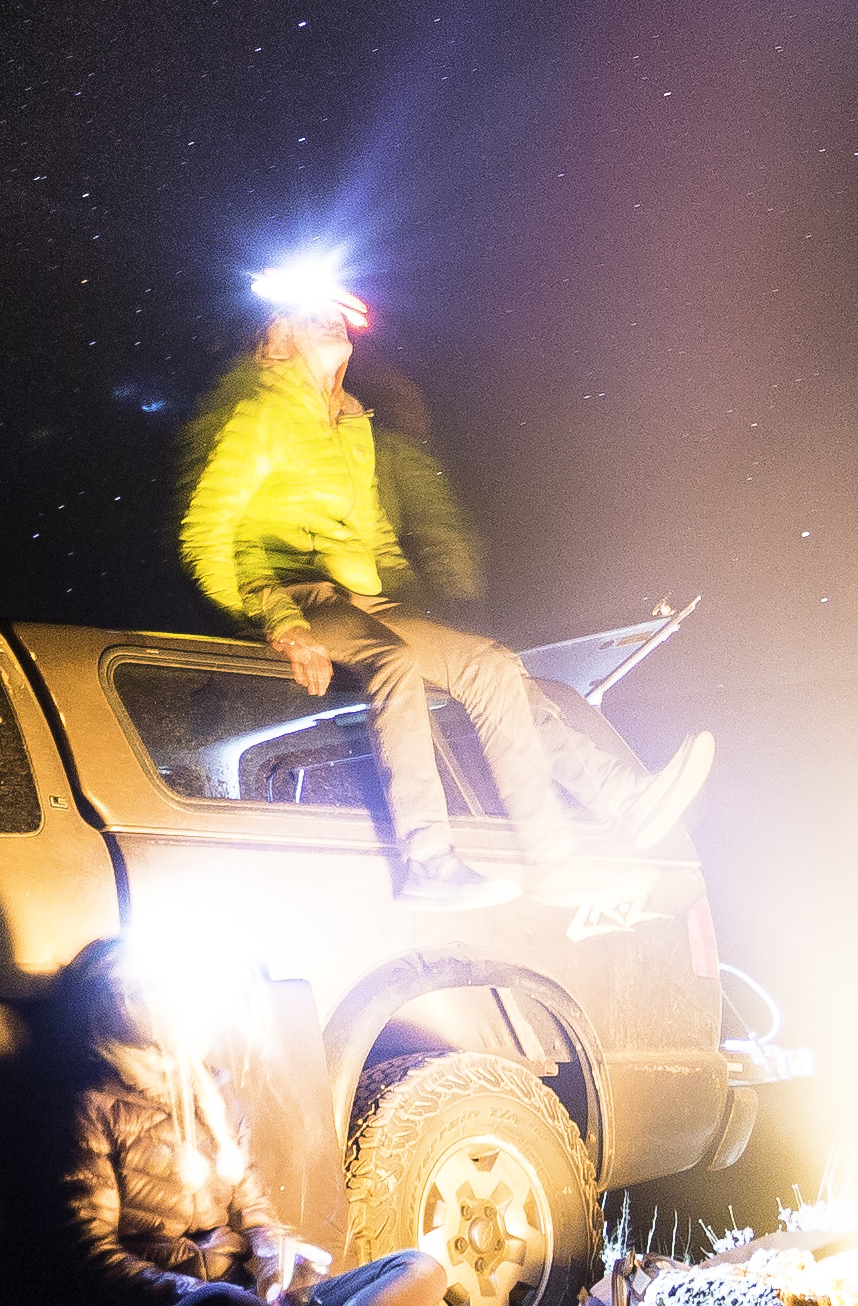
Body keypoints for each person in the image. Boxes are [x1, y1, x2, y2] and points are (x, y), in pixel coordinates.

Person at [174, 257, 708, 907]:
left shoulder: (350, 422)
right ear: (283, 337)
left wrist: (434, 625)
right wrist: (279, 621)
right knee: (395, 663)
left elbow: (372, 535)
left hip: (361, 599)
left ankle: (574, 848)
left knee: (490, 666)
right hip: (290, 594)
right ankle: (427, 863)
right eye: (314, 321)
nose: (332, 329)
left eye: (337, 322)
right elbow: (206, 532)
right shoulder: (261, 417)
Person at [32, 943, 457, 1306]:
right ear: (110, 1006)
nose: (170, 1000)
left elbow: (253, 1213)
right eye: (145, 990)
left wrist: (276, 1259)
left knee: (419, 1268)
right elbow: (90, 1256)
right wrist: (190, 1293)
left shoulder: (210, 1090)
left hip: (252, 1299)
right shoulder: (91, 1106)